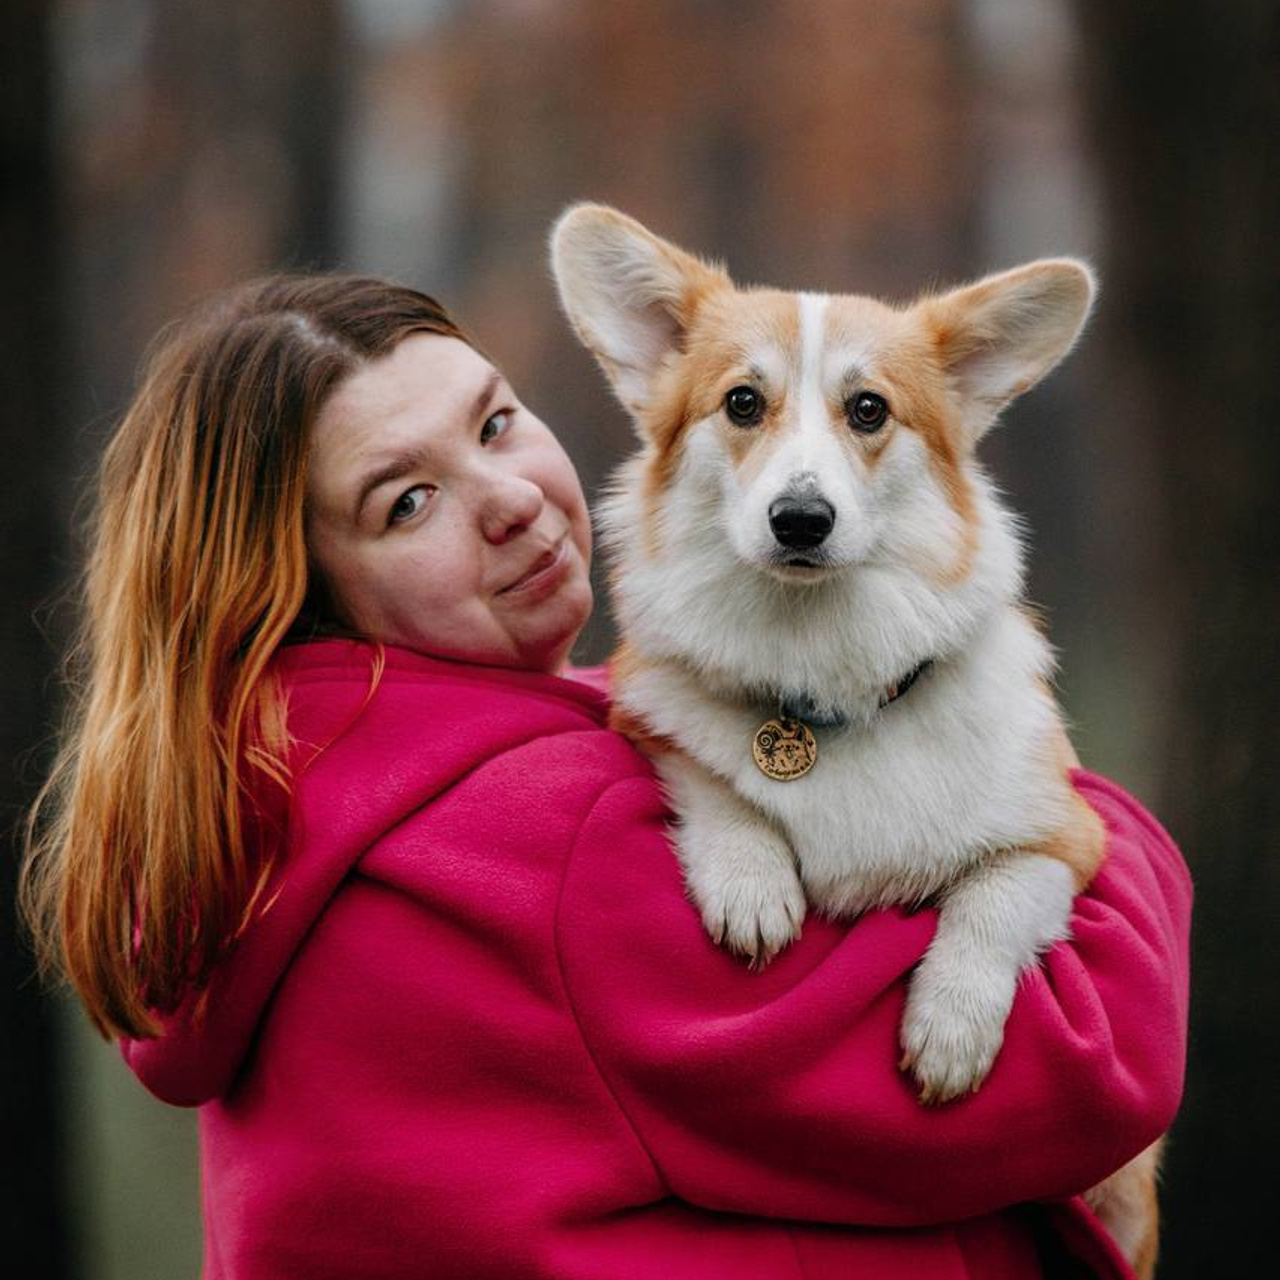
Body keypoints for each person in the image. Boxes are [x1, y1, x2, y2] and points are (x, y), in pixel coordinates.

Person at [22, 274, 1191, 1279]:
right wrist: (1097, 810)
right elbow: (1084, 1073)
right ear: (296, 589)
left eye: (494, 423)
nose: (510, 500)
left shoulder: (281, 799)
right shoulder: (548, 840)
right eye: (407, 502)